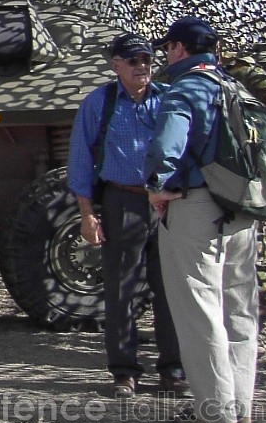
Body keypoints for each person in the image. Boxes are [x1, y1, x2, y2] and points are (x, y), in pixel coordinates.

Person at [147, 16, 257, 423]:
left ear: (179, 48)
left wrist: (157, 187)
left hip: (196, 209)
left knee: (200, 313)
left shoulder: (185, 88)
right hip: (241, 209)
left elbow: (164, 146)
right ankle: (240, 413)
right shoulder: (236, 87)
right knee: (239, 310)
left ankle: (216, 418)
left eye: (167, 47)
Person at [68, 31, 184, 398]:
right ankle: (124, 372)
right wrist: (87, 215)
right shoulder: (99, 104)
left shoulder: (167, 100)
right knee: (121, 289)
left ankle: (173, 369)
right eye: (133, 60)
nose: (142, 66)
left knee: (171, 291)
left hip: (167, 204)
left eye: (147, 59)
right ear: (115, 65)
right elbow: (81, 160)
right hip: (123, 202)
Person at [220, 48, 266, 362]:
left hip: (245, 174)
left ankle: (254, 332)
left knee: (248, 256)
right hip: (225, 173)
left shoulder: (240, 71)